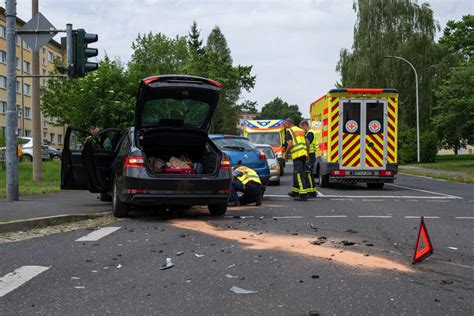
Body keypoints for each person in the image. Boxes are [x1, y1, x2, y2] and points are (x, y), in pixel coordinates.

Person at [284, 118, 311, 201]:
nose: (285, 126)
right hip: (303, 154)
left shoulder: (290, 131)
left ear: (288, 124)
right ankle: (295, 191)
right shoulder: (301, 130)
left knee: (299, 174)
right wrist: (307, 154)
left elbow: (290, 144)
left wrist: (286, 155)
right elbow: (307, 143)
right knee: (297, 174)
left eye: (285, 124)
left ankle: (303, 195)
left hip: (297, 155)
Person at [299, 120, 317, 198]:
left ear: (304, 125)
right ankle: (312, 191)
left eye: (301, 127)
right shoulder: (309, 132)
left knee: (308, 174)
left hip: (310, 155)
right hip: (311, 154)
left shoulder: (310, 133)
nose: (301, 130)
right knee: (309, 173)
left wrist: (307, 154)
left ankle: (311, 192)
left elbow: (307, 143)